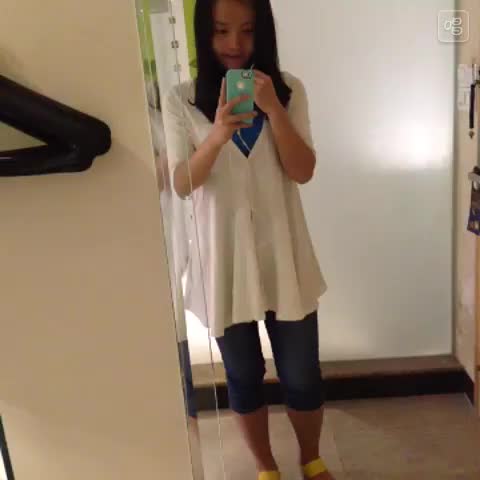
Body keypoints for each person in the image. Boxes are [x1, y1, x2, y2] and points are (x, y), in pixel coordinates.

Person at [162, 0, 331, 479]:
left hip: (285, 256)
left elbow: (303, 170)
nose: (234, 44)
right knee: (243, 376)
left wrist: (273, 109)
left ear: (264, 32)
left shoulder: (289, 90)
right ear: (204, 34)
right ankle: (266, 467)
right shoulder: (182, 99)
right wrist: (216, 135)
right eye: (221, 31)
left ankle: (311, 459)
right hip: (224, 261)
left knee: (302, 374)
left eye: (246, 30)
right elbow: (181, 182)